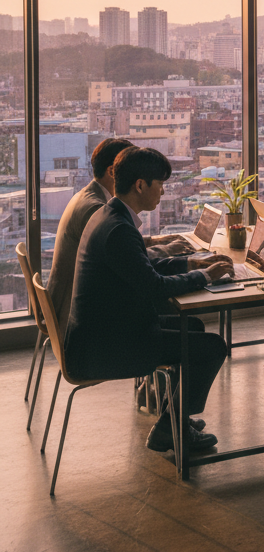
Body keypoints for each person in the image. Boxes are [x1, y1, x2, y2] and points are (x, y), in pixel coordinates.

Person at [64, 147, 234, 453]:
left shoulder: (110, 215)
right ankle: (170, 428)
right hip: (105, 347)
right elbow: (154, 287)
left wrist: (190, 265)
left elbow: (140, 269)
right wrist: (205, 277)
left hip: (101, 332)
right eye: (161, 184)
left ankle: (175, 418)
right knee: (213, 348)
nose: (163, 191)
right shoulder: (119, 229)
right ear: (140, 185)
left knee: (193, 327)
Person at [49, 137, 193, 331]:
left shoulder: (88, 195)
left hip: (70, 302)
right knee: (163, 306)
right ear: (113, 171)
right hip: (76, 316)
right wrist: (168, 250)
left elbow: (122, 248)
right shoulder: (95, 208)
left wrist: (157, 241)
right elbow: (127, 258)